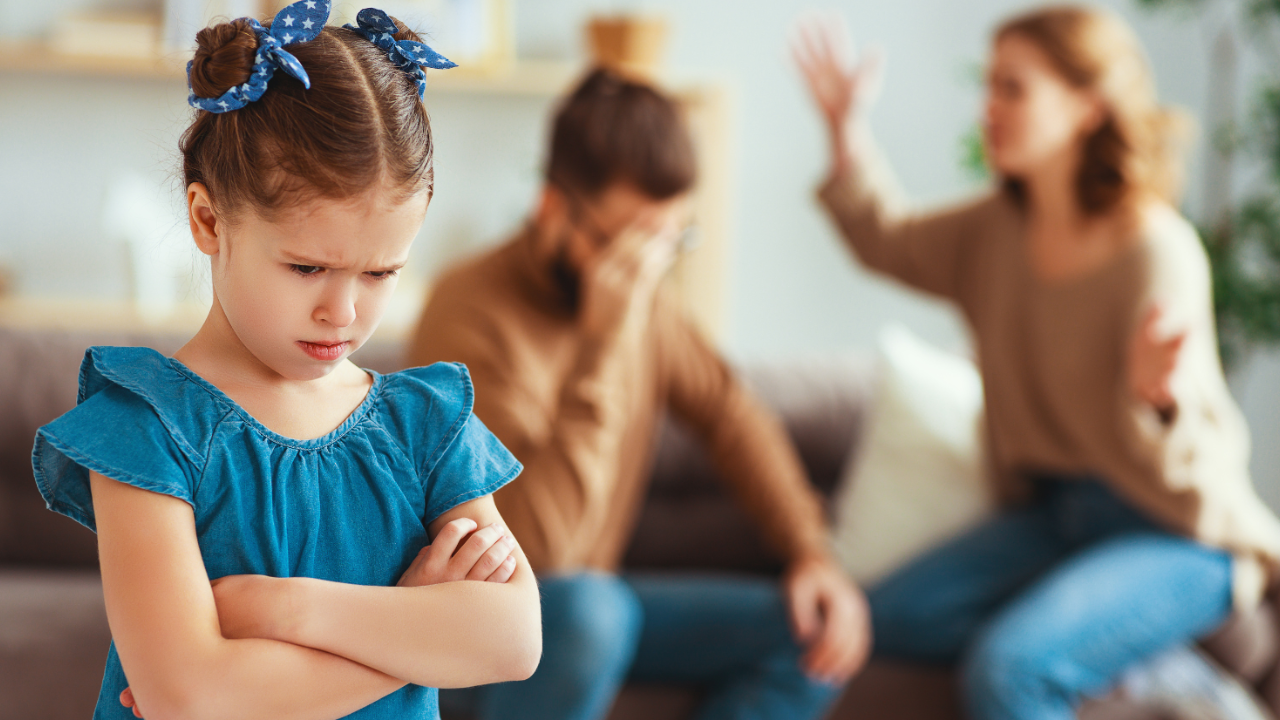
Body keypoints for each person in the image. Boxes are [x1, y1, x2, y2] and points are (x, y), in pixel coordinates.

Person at [30, 3, 540, 719]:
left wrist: (288, 610)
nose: (345, 312)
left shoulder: (426, 427)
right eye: (307, 268)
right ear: (209, 220)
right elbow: (189, 696)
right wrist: (415, 624)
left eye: (380, 273)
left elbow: (513, 641)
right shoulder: (147, 426)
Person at [794, 5, 1280, 719]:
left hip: (1174, 531)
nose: (986, 107)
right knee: (874, 620)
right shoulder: (996, 231)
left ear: (1088, 108)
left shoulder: (1154, 249)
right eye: (988, 86)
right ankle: (1141, 661)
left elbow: (1193, 457)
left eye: (1012, 89)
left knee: (1010, 668)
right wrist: (845, 128)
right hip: (1058, 517)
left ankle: (1115, 651)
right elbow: (885, 238)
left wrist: (1157, 398)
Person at [412, 68, 869, 720]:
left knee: (816, 631)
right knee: (593, 608)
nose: (648, 270)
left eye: (668, 242)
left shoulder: (643, 305)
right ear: (552, 208)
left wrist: (811, 554)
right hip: (498, 617)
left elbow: (732, 414)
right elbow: (537, 550)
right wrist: (602, 345)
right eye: (630, 245)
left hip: (602, 607)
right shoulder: (469, 312)